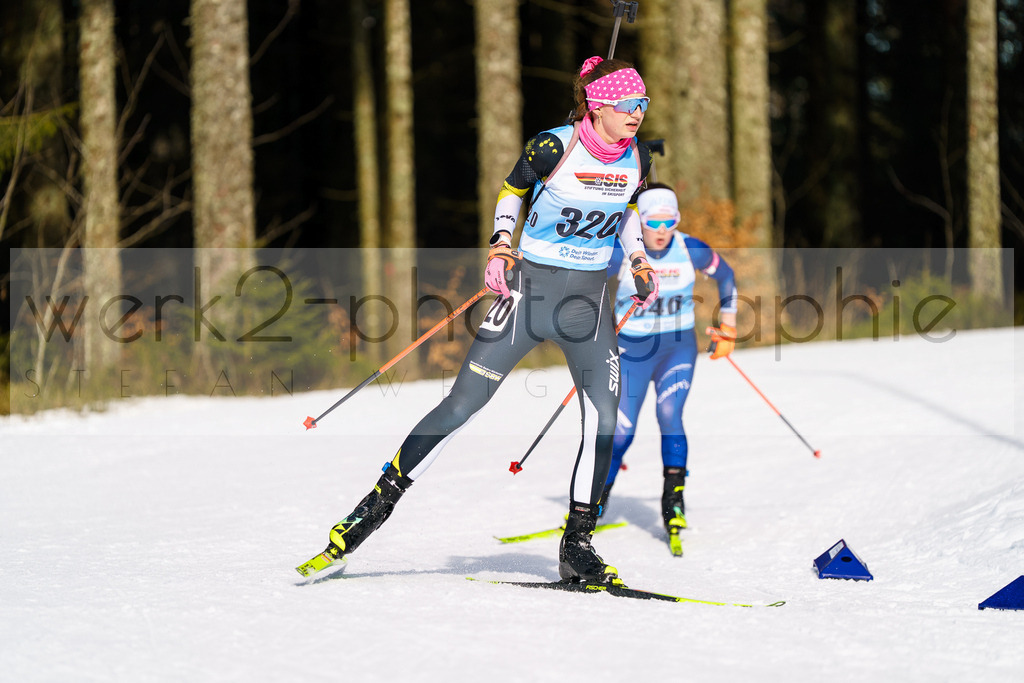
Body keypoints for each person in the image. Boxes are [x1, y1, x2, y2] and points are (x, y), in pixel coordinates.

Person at [299, 56, 659, 585]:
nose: (638, 113)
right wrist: (500, 247)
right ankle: (366, 517)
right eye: (628, 103)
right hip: (530, 294)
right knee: (462, 405)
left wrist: (639, 259)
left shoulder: (638, 157)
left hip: (587, 304)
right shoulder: (553, 147)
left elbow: (628, 211)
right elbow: (512, 191)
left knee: (606, 419)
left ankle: (577, 545)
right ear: (598, 105)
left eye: (643, 103)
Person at [600, 182, 738, 555]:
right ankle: (595, 502)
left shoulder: (690, 249)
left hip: (677, 348)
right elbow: (587, 282)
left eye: (669, 221)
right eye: (652, 222)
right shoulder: (622, 251)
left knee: (669, 415)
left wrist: (728, 327)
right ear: (639, 222)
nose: (661, 230)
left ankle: (673, 503)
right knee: (621, 431)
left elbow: (726, 277)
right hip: (631, 350)